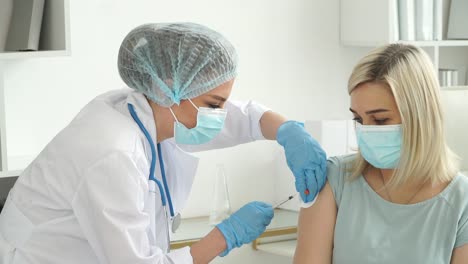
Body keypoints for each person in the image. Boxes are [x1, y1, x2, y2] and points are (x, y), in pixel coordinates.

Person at [0, 23, 327, 264]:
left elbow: (243, 115)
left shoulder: (148, 112)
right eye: (215, 105)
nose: (222, 114)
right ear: (168, 88)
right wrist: (223, 238)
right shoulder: (112, 152)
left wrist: (287, 131)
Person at [293, 43, 468, 263]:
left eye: (380, 120)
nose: (365, 130)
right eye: (358, 119)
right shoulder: (334, 179)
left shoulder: (461, 202)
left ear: (420, 117)